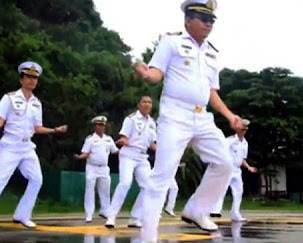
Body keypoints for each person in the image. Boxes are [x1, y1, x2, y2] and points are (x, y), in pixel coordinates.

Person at [134, 0, 244, 241]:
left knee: (225, 163)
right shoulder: (171, 42)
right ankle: (148, 235)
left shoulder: (212, 52)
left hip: (202, 116)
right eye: (203, 18)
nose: (208, 24)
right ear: (187, 20)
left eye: (211, 20)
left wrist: (230, 116)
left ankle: (196, 209)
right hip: (175, 115)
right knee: (162, 175)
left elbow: (212, 92)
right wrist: (146, 74)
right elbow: (156, 73)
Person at [0, 61, 67, 228]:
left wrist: (54, 130)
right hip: (10, 145)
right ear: (21, 79)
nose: (32, 80)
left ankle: (22, 215)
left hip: (27, 147)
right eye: (28, 77)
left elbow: (36, 128)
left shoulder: (37, 103)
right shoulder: (9, 98)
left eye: (34, 78)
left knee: (37, 179)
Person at [105, 95, 156, 228]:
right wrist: (124, 141)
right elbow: (124, 137)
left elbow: (152, 144)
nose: (147, 104)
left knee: (148, 187)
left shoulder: (152, 122)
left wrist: (166, 152)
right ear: (139, 104)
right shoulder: (131, 119)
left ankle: (135, 217)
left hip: (142, 156)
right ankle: (111, 216)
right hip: (129, 154)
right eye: (144, 101)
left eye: (149, 102)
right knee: (125, 183)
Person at [210, 119, 257, 221]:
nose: (243, 132)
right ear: (238, 130)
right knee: (222, 189)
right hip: (227, 168)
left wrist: (249, 167)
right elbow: (220, 151)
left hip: (237, 170)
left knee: (239, 191)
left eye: (245, 130)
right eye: (242, 129)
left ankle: (235, 214)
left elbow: (242, 159)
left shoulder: (245, 143)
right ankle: (215, 210)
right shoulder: (230, 140)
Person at [74, 115, 119, 223]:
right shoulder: (90, 139)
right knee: (90, 190)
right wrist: (80, 157)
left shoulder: (108, 139)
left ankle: (105, 211)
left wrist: (126, 150)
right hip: (92, 167)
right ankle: (89, 214)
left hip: (104, 168)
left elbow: (115, 151)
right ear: (95, 126)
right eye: (99, 125)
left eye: (103, 125)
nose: (101, 127)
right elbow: (85, 153)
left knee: (105, 191)